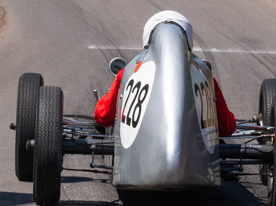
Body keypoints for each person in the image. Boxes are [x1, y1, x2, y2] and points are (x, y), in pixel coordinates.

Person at [94, 11, 236, 137]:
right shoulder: (204, 77)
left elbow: (104, 116)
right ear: (188, 41)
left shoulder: (130, 73)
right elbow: (226, 128)